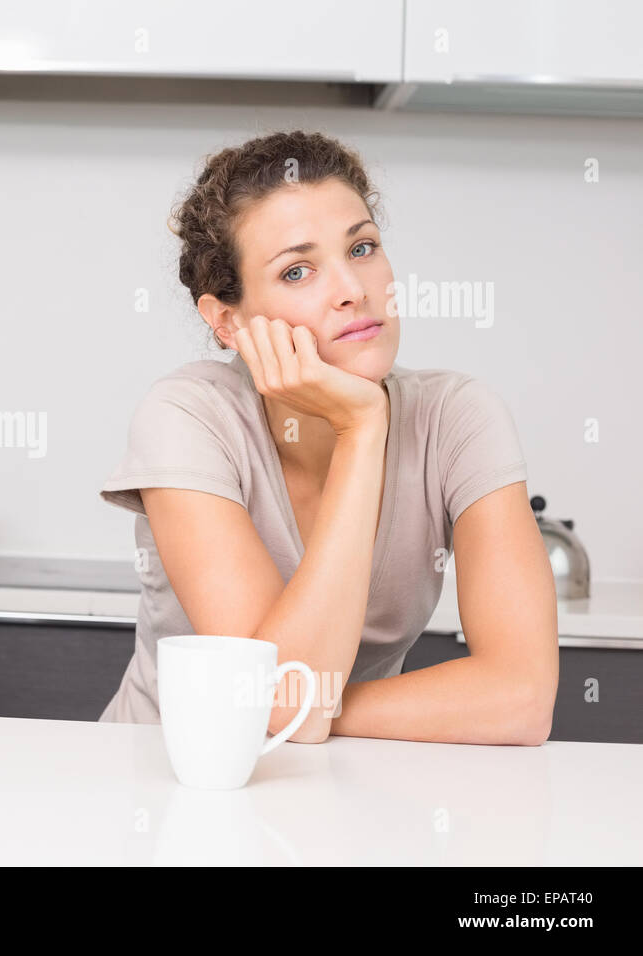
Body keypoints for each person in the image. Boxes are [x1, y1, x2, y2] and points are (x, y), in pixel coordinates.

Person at [98, 130, 557, 745]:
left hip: (343, 788)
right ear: (228, 321)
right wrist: (363, 429)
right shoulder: (188, 417)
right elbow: (279, 713)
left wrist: (306, 710)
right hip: (173, 785)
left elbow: (522, 700)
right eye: (297, 270)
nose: (353, 289)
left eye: (362, 247)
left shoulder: (458, 417)